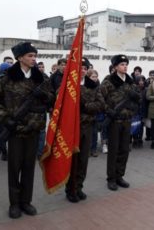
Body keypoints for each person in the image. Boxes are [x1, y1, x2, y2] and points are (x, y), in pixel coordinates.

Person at [0, 42, 54, 219]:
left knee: (29, 168)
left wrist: (45, 96)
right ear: (20, 58)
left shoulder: (41, 78)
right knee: (14, 168)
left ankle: (26, 201)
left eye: (35, 56)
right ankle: (14, 204)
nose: (34, 59)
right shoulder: (6, 78)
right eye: (30, 56)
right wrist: (6, 119)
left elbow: (52, 99)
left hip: (34, 129)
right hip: (16, 130)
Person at [65, 58, 104, 203]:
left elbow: (100, 104)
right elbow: (58, 102)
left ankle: (79, 187)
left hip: (87, 127)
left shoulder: (92, 85)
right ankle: (70, 189)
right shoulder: (68, 84)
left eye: (84, 68)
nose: (82, 70)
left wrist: (85, 106)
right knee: (72, 160)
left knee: (83, 160)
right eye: (79, 67)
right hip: (71, 128)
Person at [100, 54, 141, 191]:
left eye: (126, 64)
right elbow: (100, 99)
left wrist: (134, 105)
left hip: (127, 120)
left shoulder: (130, 81)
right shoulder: (108, 81)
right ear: (115, 67)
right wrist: (108, 111)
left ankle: (119, 176)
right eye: (122, 64)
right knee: (113, 150)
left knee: (124, 149)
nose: (125, 67)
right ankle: (111, 178)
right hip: (114, 121)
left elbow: (137, 99)